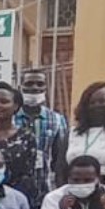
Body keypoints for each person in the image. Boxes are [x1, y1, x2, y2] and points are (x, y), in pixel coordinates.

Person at [15, 68, 70, 198]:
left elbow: (60, 159)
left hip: (45, 190)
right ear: (20, 87)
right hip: (14, 190)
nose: (35, 88)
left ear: (46, 87)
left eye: (40, 84)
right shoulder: (10, 118)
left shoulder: (57, 120)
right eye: (29, 84)